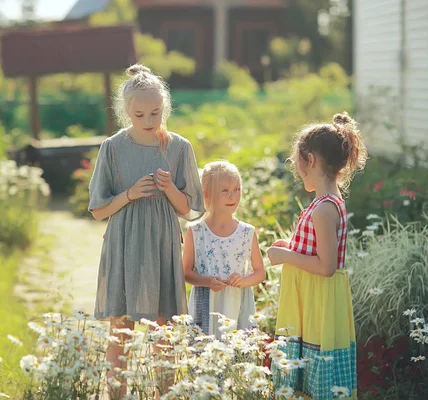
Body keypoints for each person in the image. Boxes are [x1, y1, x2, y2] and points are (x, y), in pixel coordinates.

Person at [88, 64, 204, 393]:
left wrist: (170, 189)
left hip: (162, 243)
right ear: (126, 112)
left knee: (164, 327)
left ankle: (164, 392)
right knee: (120, 327)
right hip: (124, 242)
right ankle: (116, 394)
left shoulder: (180, 148)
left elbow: (188, 209)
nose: (149, 121)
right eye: (139, 115)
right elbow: (98, 210)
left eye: (155, 113)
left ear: (164, 108)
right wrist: (128, 194)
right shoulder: (112, 147)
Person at [267, 112, 367, 399]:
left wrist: (286, 255)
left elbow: (325, 266)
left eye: (299, 165)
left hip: (318, 299)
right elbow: (317, 249)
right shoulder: (324, 203)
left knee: (318, 370)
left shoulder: (324, 208)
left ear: (310, 160)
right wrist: (293, 244)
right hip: (311, 296)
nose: (299, 172)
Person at [182, 161, 265, 337]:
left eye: (237, 189)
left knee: (238, 355)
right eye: (225, 191)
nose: (233, 196)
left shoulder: (247, 232)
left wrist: (244, 280)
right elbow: (185, 272)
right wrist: (207, 281)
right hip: (206, 305)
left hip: (237, 305)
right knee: (204, 355)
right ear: (206, 195)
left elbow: (260, 273)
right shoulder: (196, 231)